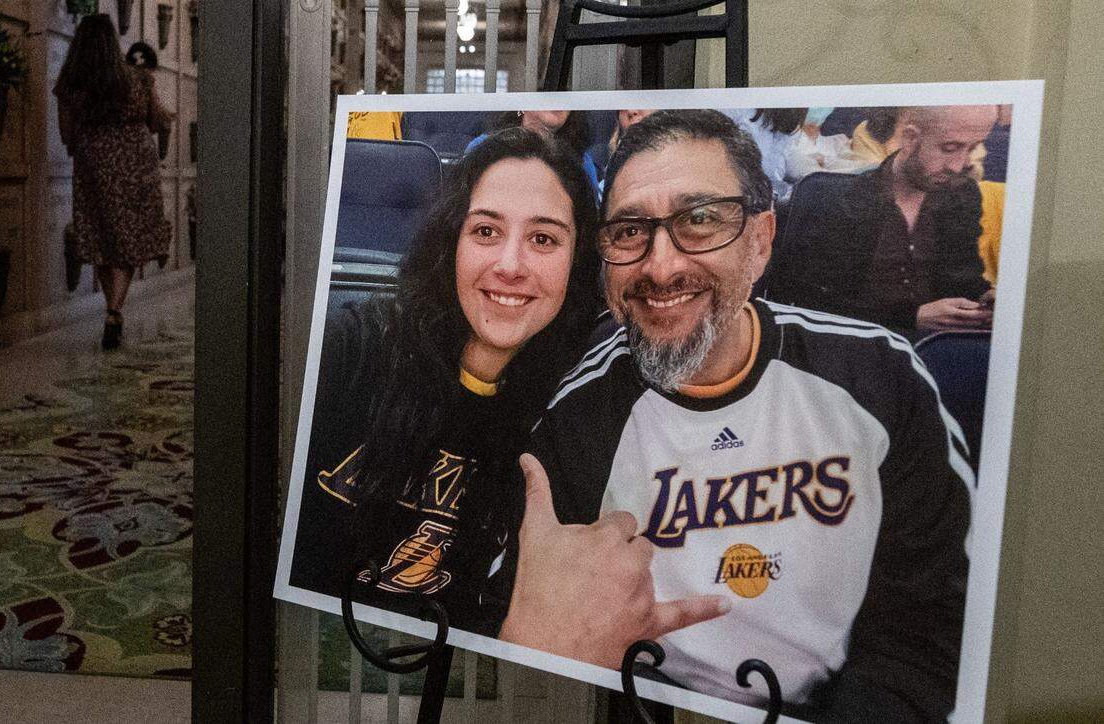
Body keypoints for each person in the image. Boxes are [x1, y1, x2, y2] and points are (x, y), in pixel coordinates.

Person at [498, 110, 973, 721]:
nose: (660, 266)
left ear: (761, 241)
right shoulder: (574, 415)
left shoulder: (881, 379)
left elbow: (933, 629)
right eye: (627, 232)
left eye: (700, 221)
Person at [287, 128, 602, 634]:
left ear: (577, 260)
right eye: (485, 232)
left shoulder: (577, 405)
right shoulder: (352, 349)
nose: (509, 265)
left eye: (543, 239)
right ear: (451, 240)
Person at [767, 105, 998, 339]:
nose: (959, 165)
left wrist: (983, 298)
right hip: (859, 346)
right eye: (949, 148)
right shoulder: (841, 201)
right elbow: (810, 304)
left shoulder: (961, 195)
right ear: (909, 138)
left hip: (940, 345)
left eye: (973, 148)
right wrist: (912, 317)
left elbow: (961, 277)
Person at [54, 15, 172, 349]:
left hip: (93, 162)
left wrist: (93, 141)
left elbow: (66, 135)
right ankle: (114, 310)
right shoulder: (138, 79)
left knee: (103, 238)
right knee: (129, 237)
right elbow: (156, 119)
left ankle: (112, 309)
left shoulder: (69, 84)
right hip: (135, 160)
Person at [467, 111, 601, 197]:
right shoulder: (483, 147)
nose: (557, 98)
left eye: (565, 90)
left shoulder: (582, 162)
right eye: (547, 89)